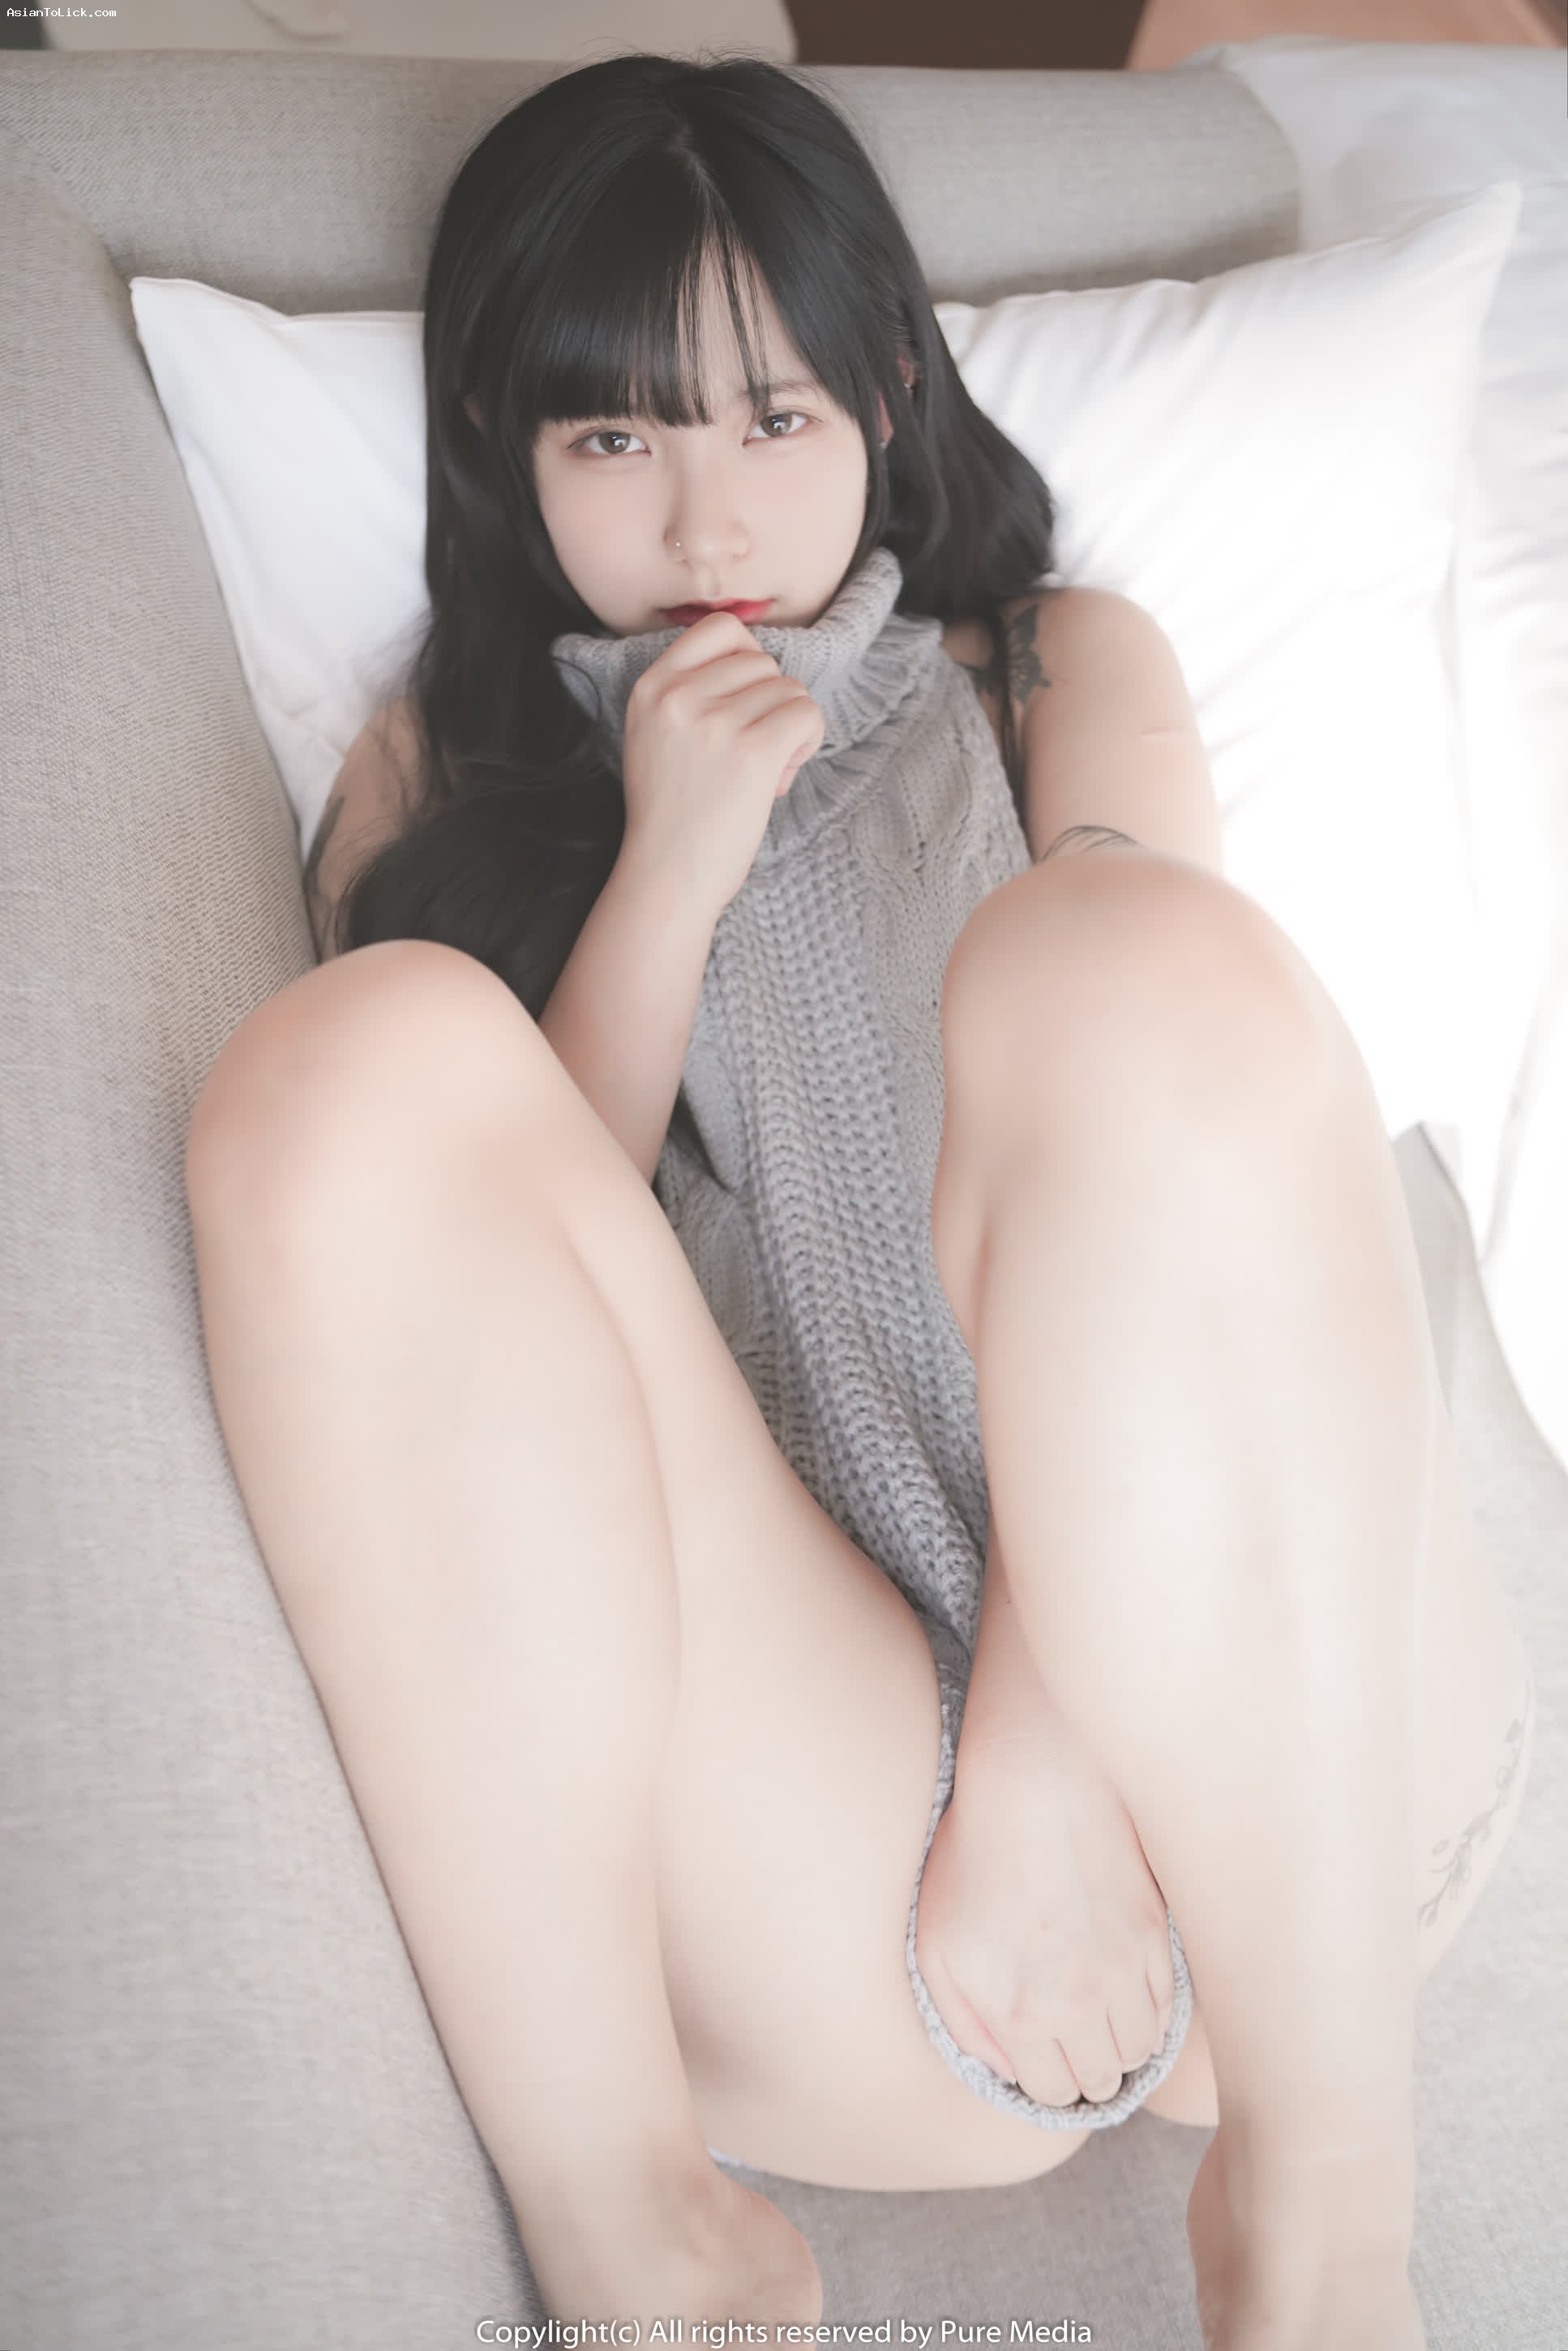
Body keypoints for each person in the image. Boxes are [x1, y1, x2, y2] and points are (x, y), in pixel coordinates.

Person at [182, 51, 1536, 2345]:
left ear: (889, 397)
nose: (708, 514)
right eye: (617, 437)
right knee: (349, 1068)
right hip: (813, 1828)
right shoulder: (441, 764)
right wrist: (665, 867)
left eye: (775, 416)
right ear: (507, 441)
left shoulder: (1051, 662)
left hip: (1261, 1763)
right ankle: (641, 2234)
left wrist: (1052, 1745)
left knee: (1126, 957)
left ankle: (1326, 2243)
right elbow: (481, 1329)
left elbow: (1186, 1176)